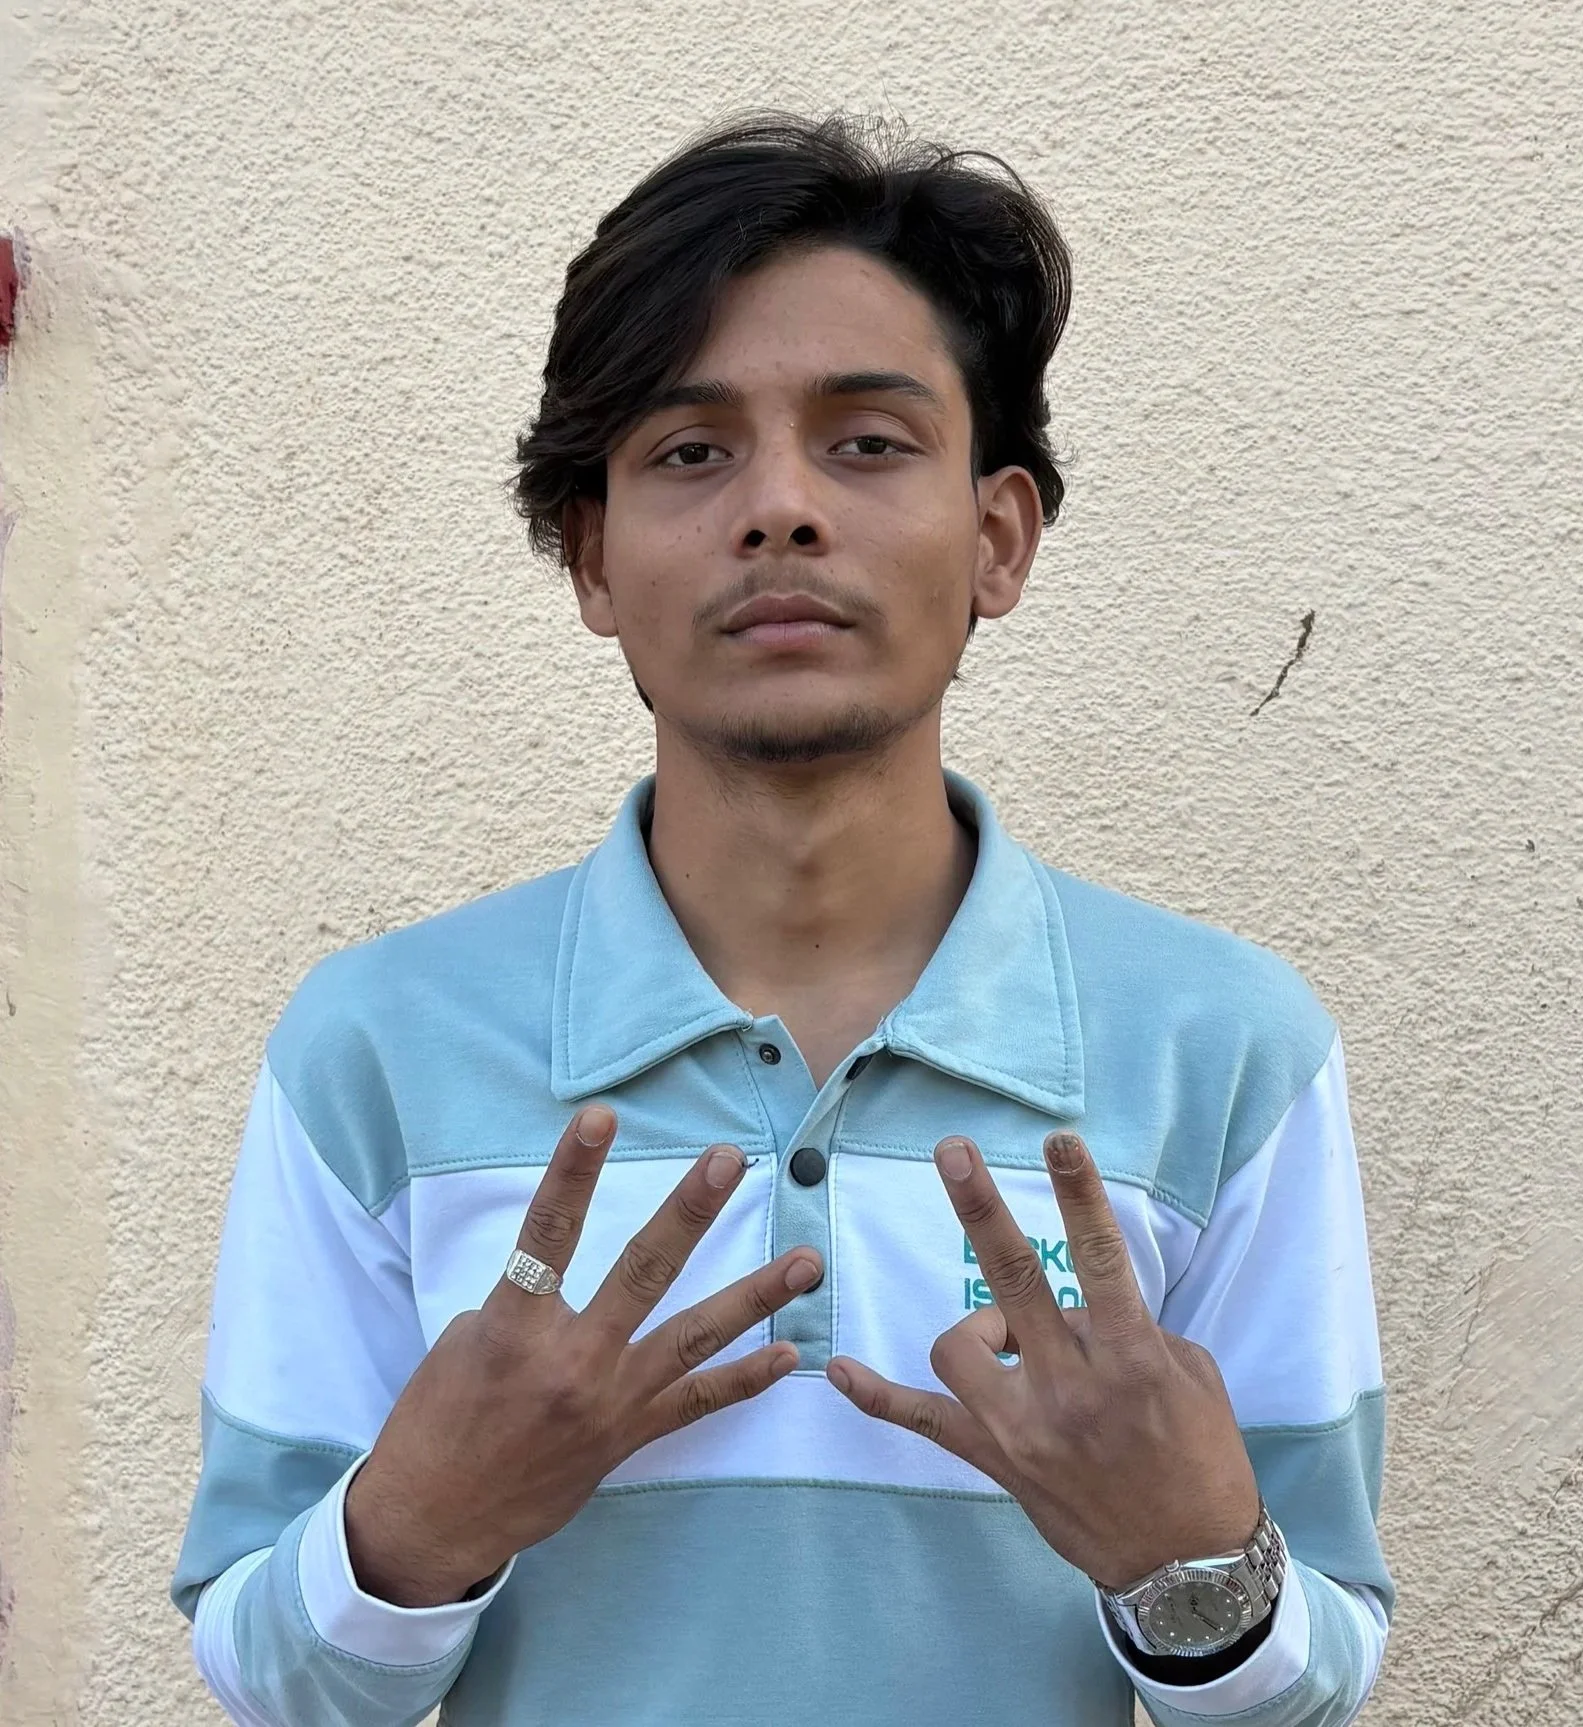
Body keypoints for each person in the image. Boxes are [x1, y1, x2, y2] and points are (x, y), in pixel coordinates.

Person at [171, 110, 1393, 1727]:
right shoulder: (379, 1045)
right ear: (592, 558)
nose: (780, 509)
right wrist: (419, 1525)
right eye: (690, 452)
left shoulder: (1221, 1047)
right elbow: (274, 1684)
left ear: (997, 537)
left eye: (867, 442)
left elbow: (1312, 1686)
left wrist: (1183, 1563)